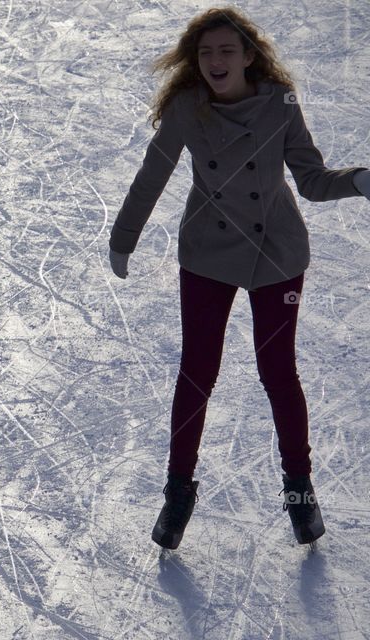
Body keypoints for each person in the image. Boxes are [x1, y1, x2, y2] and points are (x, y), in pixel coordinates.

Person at [108, 7, 370, 550]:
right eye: (205, 53)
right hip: (207, 254)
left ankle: (300, 491)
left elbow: (314, 182)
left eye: (227, 51)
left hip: (276, 256)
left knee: (278, 372)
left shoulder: (280, 104)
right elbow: (152, 174)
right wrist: (124, 236)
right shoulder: (187, 108)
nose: (215, 61)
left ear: (249, 56)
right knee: (197, 372)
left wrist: (361, 180)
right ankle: (178, 492)